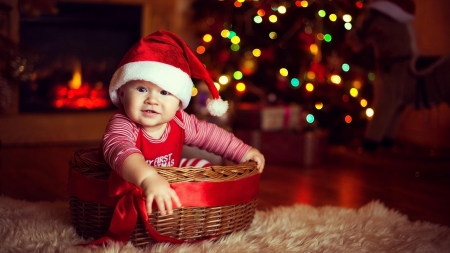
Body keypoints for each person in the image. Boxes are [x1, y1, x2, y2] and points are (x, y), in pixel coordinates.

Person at [101, 30, 265, 217]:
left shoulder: (179, 120)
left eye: (164, 93)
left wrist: (243, 151)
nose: (152, 100)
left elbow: (211, 135)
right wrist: (148, 177)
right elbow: (120, 150)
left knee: (202, 167)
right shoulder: (122, 123)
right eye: (141, 89)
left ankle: (194, 211)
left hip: (167, 176)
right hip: (129, 181)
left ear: (179, 103)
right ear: (121, 94)